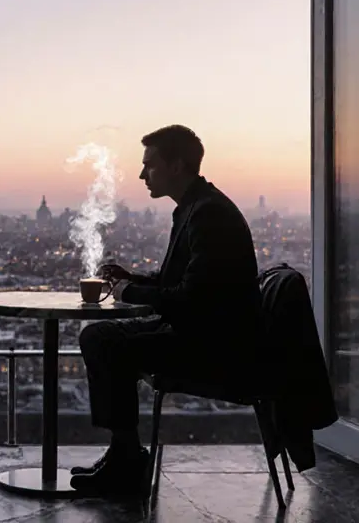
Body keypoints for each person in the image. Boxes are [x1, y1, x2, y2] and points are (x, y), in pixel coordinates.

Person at [71, 125, 262, 494]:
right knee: (99, 337)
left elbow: (191, 297)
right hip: (205, 332)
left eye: (150, 166)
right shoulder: (197, 207)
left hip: (212, 345)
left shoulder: (207, 215)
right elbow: (184, 282)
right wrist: (134, 279)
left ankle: (126, 457)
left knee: (102, 341)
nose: (143, 175)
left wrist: (130, 292)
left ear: (176, 165)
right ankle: (124, 454)